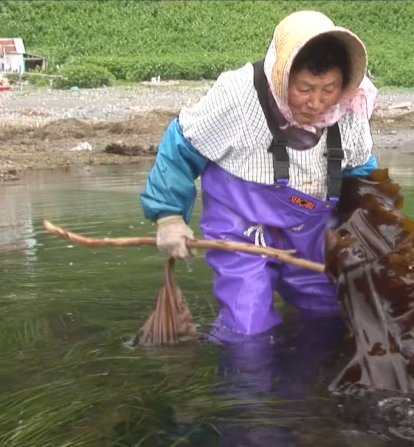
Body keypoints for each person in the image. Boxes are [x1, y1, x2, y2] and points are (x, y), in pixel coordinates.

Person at [139, 10, 379, 341]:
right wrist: (168, 217)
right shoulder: (238, 94)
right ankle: (246, 388)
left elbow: (361, 172)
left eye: (328, 89)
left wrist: (373, 229)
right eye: (305, 88)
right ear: (283, 77)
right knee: (247, 329)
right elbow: (182, 146)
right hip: (241, 226)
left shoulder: (351, 106)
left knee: (331, 314)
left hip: (312, 229)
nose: (316, 103)